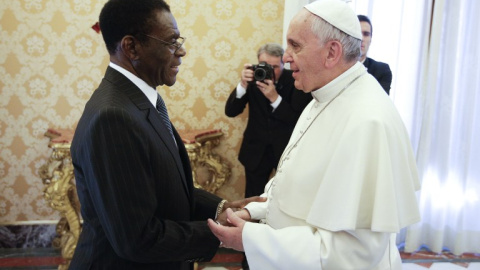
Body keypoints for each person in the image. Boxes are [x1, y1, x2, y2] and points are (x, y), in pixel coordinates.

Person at [208, 0, 421, 269]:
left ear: (332, 52)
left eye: (295, 45)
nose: (286, 57)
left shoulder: (368, 122)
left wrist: (251, 239)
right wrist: (254, 211)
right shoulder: (322, 97)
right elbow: (298, 184)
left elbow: (352, 253)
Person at [70, 1, 262, 269]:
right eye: (171, 42)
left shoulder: (140, 101)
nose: (181, 51)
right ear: (131, 47)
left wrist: (224, 207)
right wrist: (222, 233)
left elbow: (162, 189)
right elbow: (137, 238)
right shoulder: (113, 117)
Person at [225, 43, 312, 199]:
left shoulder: (295, 80)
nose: (269, 71)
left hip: (285, 151)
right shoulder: (254, 77)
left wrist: (274, 98)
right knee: (253, 198)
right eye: (265, 65)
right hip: (256, 151)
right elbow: (231, 111)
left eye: (274, 67)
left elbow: (297, 119)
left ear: (283, 63)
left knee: (284, 197)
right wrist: (243, 85)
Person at [358, 14, 393, 94]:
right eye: (358, 33)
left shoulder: (382, 71)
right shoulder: (335, 68)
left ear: (370, 40)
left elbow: (381, 104)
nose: (362, 39)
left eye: (366, 34)